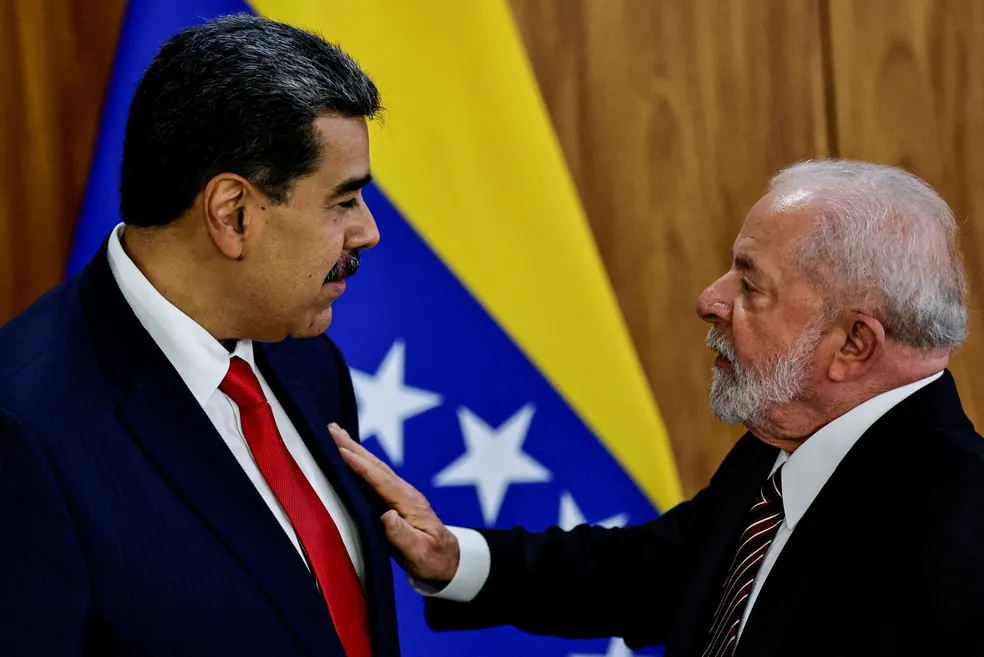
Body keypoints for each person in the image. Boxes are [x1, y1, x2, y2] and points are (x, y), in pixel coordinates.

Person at [329, 159, 984, 657]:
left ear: (853, 344)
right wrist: (453, 558)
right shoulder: (786, 441)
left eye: (751, 284)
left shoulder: (959, 530)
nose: (710, 298)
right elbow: (656, 571)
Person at [0, 14, 400, 657]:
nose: (367, 232)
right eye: (343, 201)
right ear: (233, 214)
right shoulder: (23, 428)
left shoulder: (309, 363)